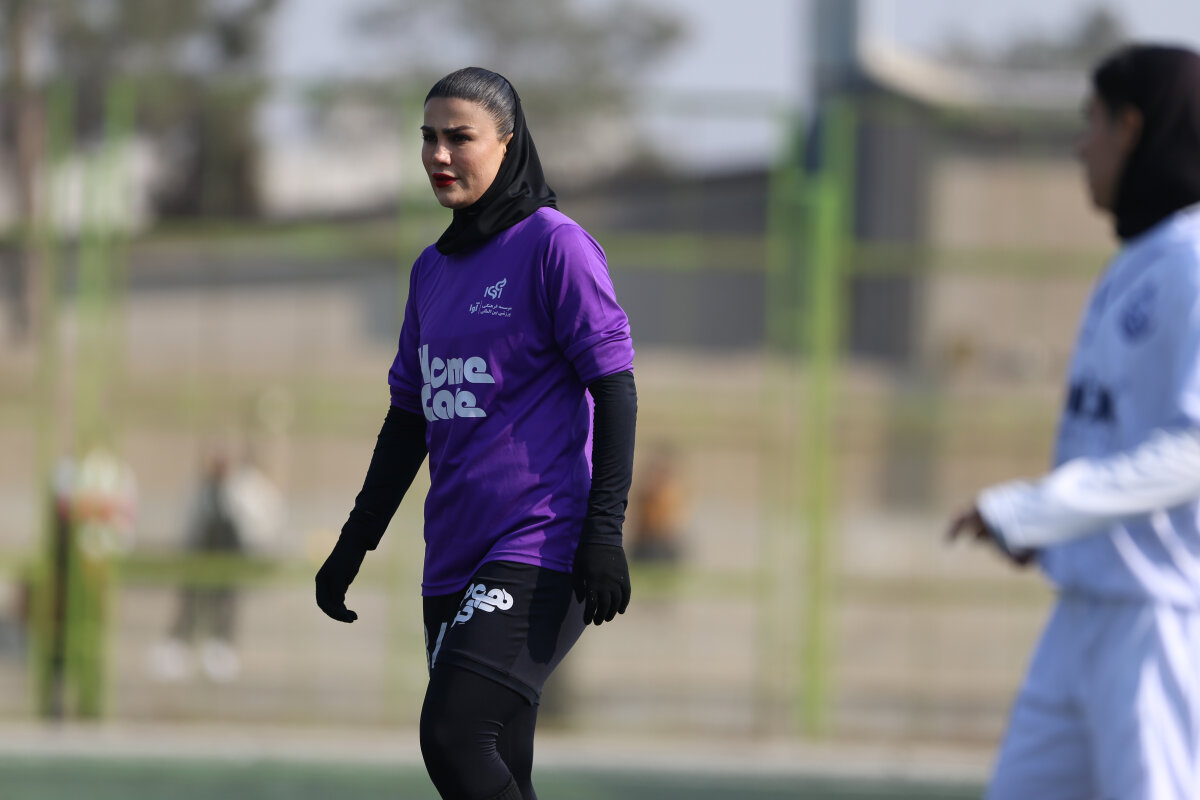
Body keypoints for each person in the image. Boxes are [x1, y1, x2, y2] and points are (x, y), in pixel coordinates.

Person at [314, 67, 637, 800]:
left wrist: (604, 531)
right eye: (428, 137)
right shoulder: (431, 270)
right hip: (454, 551)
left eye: (459, 137)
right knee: (499, 763)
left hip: (540, 541)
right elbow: (408, 420)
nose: (439, 154)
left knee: (455, 735)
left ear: (508, 143)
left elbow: (615, 389)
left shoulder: (555, 246)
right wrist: (354, 542)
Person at [948, 44, 1200, 799]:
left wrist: (1039, 509)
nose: (1080, 146)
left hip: (1158, 617)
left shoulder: (1193, 262)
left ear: (1132, 127)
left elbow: (1192, 451)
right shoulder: (1142, 260)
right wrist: (1056, 532)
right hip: (1084, 613)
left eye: (1092, 122)